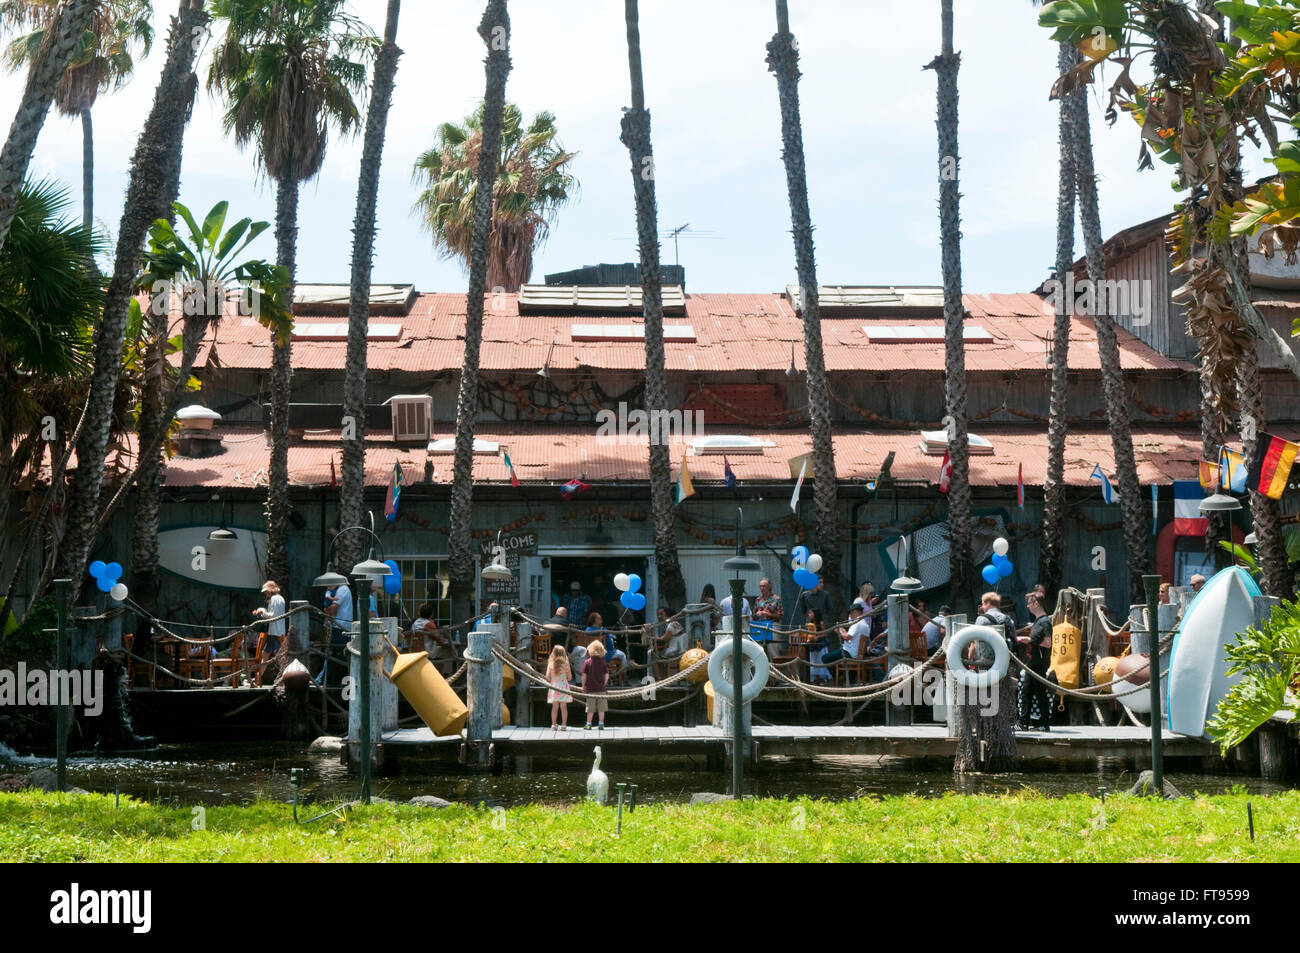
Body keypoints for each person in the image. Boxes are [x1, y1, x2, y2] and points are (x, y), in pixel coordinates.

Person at [1018, 587, 1054, 731]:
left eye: (1029, 603)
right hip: (1033, 662)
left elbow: (1048, 643)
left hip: (1038, 663)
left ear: (1036, 604)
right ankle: (1028, 723)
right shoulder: (1038, 621)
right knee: (1029, 691)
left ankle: (1034, 723)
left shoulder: (1044, 622)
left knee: (1034, 692)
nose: (1027, 605)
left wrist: (1029, 640)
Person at [971, 591, 1016, 667]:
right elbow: (1014, 637)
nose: (982, 607)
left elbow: (975, 641)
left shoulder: (981, 619)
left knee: (985, 678)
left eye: (983, 604)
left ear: (988, 603)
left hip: (985, 661)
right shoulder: (1007, 618)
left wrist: (971, 658)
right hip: (1004, 659)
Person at [252, 580, 287, 656]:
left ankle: (283, 668)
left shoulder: (274, 598)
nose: (266, 593)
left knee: (271, 654)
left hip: (275, 631)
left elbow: (273, 616)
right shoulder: (280, 598)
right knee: (267, 653)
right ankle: (263, 668)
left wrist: (261, 611)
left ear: (270, 590)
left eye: (266, 591)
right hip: (279, 631)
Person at [651, 606, 686, 679]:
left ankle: (659, 677)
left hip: (675, 649)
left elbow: (665, 639)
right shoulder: (675, 623)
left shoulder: (671, 624)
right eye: (658, 614)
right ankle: (662, 676)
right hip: (679, 648)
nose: (659, 616)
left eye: (661, 614)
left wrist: (652, 638)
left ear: (667, 613)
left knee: (652, 653)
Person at [582, 639, 609, 729]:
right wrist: (603, 684)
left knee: (590, 708)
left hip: (590, 689)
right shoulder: (603, 662)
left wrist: (583, 686)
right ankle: (601, 724)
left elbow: (584, 676)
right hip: (601, 689)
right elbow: (606, 675)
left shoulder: (587, 662)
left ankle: (588, 724)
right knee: (602, 708)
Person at [546, 644, 573, 730]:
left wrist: (553, 680)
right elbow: (569, 678)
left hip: (554, 687)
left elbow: (547, 677)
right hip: (563, 687)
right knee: (563, 707)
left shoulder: (551, 664)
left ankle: (554, 725)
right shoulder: (565, 665)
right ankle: (564, 725)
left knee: (554, 707)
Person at [805, 609, 832, 684]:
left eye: (811, 613)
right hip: (813, 644)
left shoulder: (820, 622)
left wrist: (818, 636)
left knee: (820, 660)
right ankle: (815, 677)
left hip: (821, 644)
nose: (809, 614)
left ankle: (823, 677)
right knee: (813, 660)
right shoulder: (810, 623)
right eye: (808, 613)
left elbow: (825, 633)